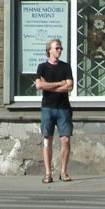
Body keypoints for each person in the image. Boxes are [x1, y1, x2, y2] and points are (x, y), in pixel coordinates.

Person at [34, 38, 74, 183]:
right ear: (49, 50)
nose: (59, 50)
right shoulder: (42, 67)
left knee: (65, 139)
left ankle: (63, 171)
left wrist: (48, 85)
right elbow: (39, 86)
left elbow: (69, 86)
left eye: (60, 48)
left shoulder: (65, 67)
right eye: (56, 48)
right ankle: (48, 172)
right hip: (47, 108)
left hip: (63, 108)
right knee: (47, 139)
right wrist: (58, 84)